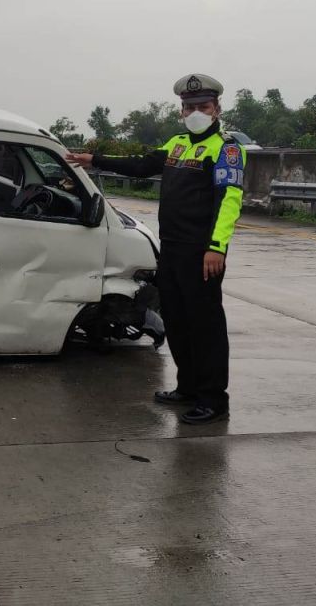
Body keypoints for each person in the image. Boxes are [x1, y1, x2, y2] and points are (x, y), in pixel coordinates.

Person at [65, 73, 245, 424]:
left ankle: (213, 399)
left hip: (202, 253)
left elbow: (229, 201)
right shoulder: (177, 144)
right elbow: (141, 165)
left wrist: (216, 247)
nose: (196, 112)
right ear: (181, 111)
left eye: (203, 106)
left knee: (205, 326)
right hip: (173, 249)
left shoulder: (226, 149)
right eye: (189, 107)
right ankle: (188, 387)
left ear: (217, 108)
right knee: (177, 321)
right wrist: (95, 160)